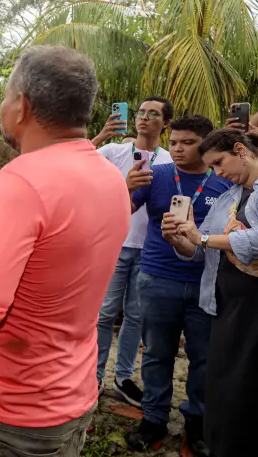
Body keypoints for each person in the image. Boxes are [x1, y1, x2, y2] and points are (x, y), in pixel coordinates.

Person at [0, 45, 129, 457]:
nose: (4, 105)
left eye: (6, 96)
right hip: (72, 393)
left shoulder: (22, 180)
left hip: (12, 411)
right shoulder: (111, 178)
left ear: (22, 106)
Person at [162, 127, 258, 457]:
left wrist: (201, 238)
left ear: (241, 151)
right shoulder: (231, 194)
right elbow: (203, 251)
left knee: (257, 387)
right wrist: (180, 238)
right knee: (225, 386)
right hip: (226, 304)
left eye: (219, 162)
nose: (218, 172)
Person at [125, 116, 231, 455]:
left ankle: (196, 424)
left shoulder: (224, 183)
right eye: (173, 142)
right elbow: (121, 211)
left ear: (205, 143)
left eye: (187, 142)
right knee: (156, 354)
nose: (178, 148)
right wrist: (124, 188)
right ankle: (153, 419)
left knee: (203, 358)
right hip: (157, 278)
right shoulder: (156, 175)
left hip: (206, 283)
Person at [92, 97, 174, 406]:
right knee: (104, 313)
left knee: (136, 317)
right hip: (114, 244)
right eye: (141, 112)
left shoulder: (169, 159)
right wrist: (101, 137)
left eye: (154, 114)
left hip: (151, 248)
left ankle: (123, 377)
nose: (144, 117)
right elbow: (77, 170)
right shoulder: (112, 152)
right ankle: (94, 376)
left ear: (164, 123)